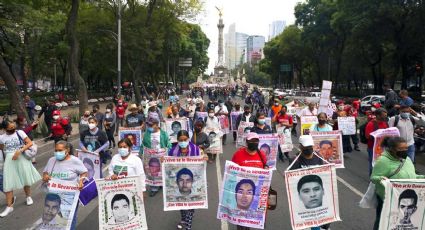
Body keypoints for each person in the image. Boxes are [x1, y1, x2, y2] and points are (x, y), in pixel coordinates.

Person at [371, 136, 425, 230]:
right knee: (382, 221)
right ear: (392, 149)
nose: (405, 151)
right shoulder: (383, 161)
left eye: (406, 148)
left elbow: (413, 176)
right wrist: (380, 179)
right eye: (401, 149)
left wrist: (422, 178)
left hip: (404, 197)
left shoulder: (407, 159)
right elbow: (373, 178)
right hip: (387, 198)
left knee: (399, 224)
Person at [167, 130, 208, 230]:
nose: (183, 142)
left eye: (185, 140)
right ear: (177, 140)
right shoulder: (172, 151)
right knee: (181, 202)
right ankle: (183, 218)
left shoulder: (196, 150)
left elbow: (201, 166)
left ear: (188, 139)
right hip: (179, 183)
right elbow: (168, 167)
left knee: (190, 204)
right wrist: (164, 160)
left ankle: (187, 226)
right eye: (180, 140)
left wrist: (204, 157)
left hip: (193, 182)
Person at [0, 120, 41, 217]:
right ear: (5, 129)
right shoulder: (1, 138)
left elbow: (30, 143)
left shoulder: (20, 132)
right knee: (8, 182)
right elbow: (2, 149)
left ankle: (28, 197)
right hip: (10, 160)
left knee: (25, 177)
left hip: (21, 156)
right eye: (10, 128)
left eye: (13, 126)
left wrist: (20, 150)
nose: (13, 129)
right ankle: (9, 206)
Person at [42, 140, 87, 229]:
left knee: (70, 218)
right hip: (54, 196)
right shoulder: (51, 160)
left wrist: (81, 181)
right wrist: (45, 176)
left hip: (70, 197)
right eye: (56, 150)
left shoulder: (75, 161)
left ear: (67, 150)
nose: (58, 153)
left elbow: (84, 172)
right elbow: (45, 173)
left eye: (60, 150)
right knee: (55, 217)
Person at [231, 132, 268, 230]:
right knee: (242, 223)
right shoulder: (238, 154)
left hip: (257, 194)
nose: (254, 143)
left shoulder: (262, 155)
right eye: (251, 141)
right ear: (247, 142)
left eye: (256, 141)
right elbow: (231, 172)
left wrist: (266, 170)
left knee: (256, 221)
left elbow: (266, 168)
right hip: (243, 193)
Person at [140, 116, 171, 197]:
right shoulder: (146, 134)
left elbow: (169, 144)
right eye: (148, 125)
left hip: (161, 157)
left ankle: (161, 184)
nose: (149, 127)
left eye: (151, 125)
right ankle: (154, 188)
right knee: (152, 172)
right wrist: (140, 154)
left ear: (157, 124)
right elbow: (143, 145)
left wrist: (169, 153)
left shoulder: (164, 134)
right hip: (150, 158)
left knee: (161, 171)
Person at [365, 108, 389, 175]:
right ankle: (372, 179)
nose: (385, 117)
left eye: (386, 115)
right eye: (384, 115)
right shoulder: (371, 124)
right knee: (373, 165)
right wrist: (378, 135)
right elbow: (367, 136)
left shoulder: (385, 123)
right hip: (373, 148)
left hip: (383, 148)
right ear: (378, 116)